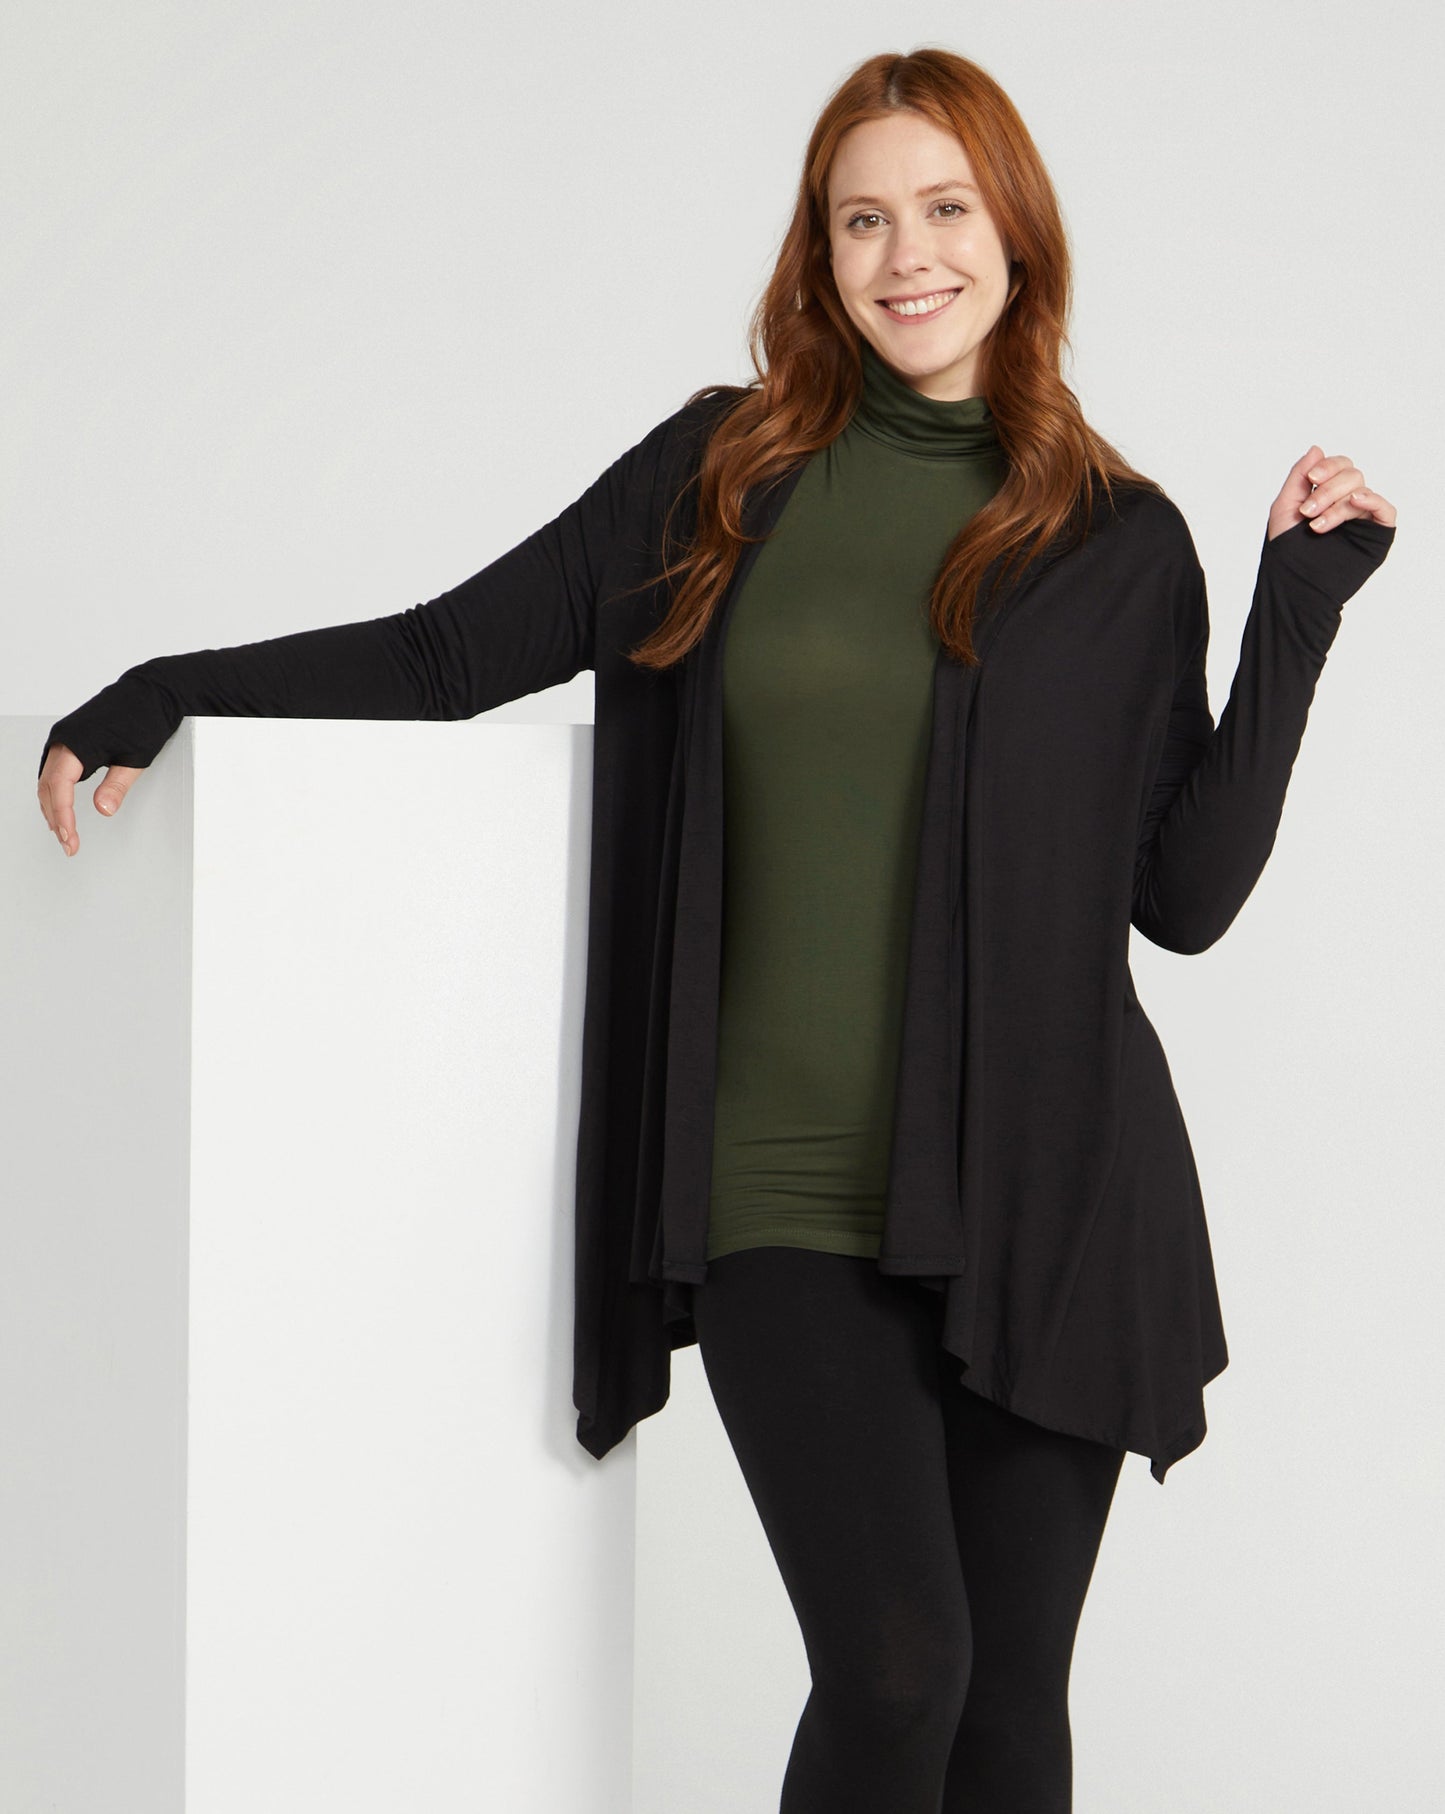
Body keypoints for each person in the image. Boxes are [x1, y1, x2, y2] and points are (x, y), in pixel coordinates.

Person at [35, 46, 1396, 1814]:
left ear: (1016, 234)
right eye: (860, 219)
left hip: (1048, 1191)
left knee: (1006, 1715)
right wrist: (170, 687)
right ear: (819, 252)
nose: (905, 255)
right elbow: (449, 653)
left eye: (943, 209)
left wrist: (1295, 614)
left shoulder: (1115, 543)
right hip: (781, 1190)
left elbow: (1183, 900)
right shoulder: (719, 474)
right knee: (898, 1671)